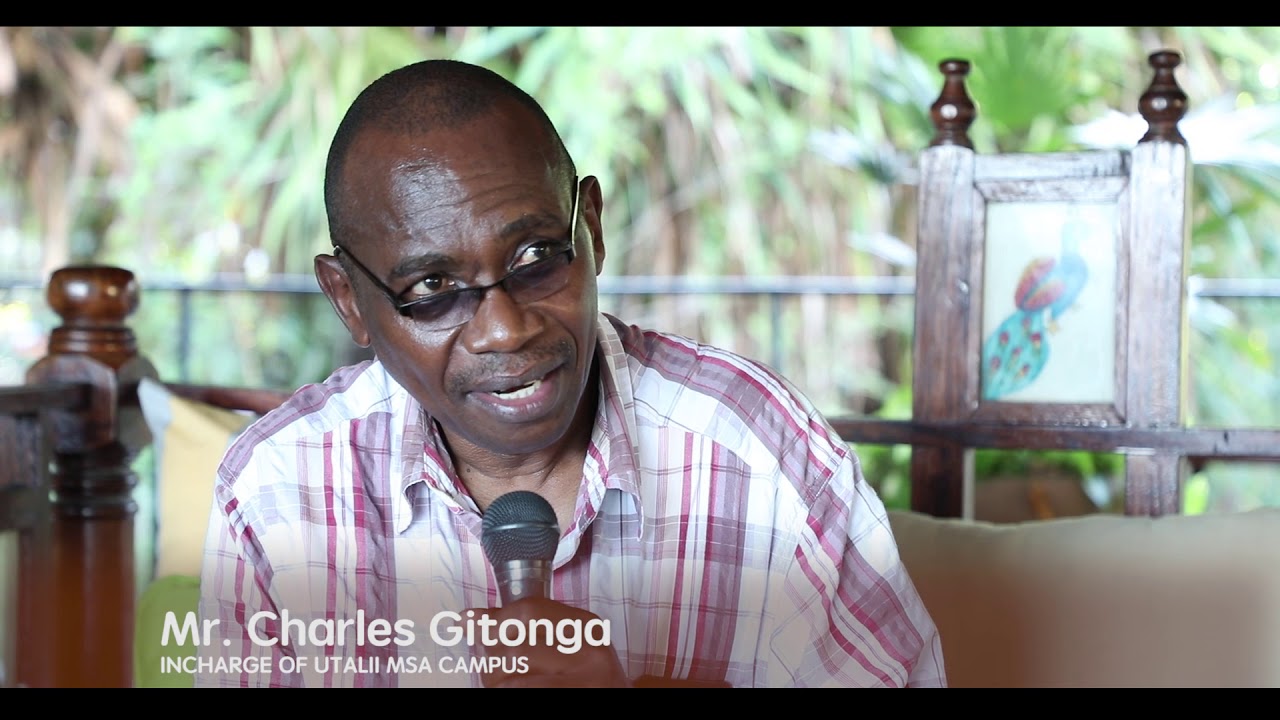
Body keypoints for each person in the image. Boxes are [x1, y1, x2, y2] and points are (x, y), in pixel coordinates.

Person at [195, 58, 946, 688]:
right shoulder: (278, 492)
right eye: (431, 289)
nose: (505, 328)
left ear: (589, 228)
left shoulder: (756, 452)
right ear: (349, 300)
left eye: (534, 259)